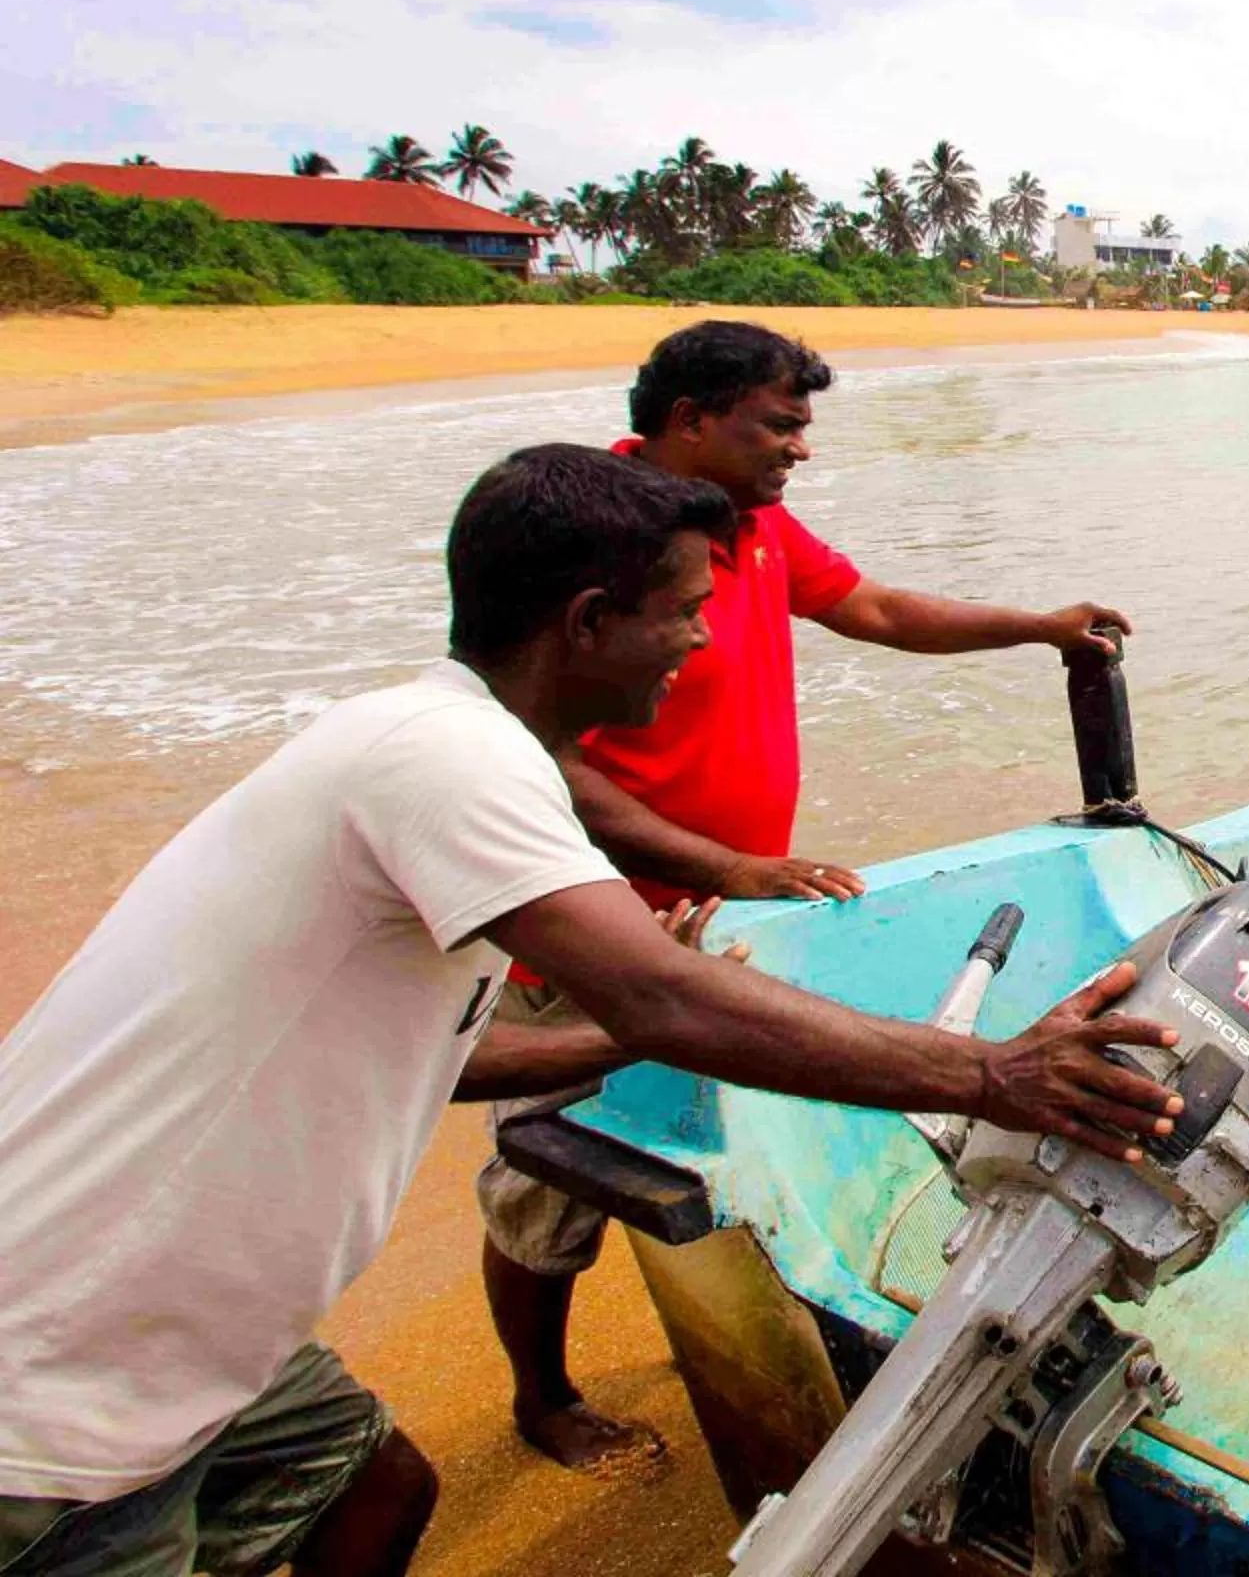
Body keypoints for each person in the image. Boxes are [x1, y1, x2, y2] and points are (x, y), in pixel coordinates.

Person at [0, 444, 1181, 1577]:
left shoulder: (436, 736)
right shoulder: (451, 759)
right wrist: (988, 1074)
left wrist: (613, 1035)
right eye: (683, 611)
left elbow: (450, 1052)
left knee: (375, 1490)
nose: (704, 637)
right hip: (69, 1362)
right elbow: (660, 992)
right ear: (587, 621)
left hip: (191, 1328)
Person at [481, 321, 1135, 1466]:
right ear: (690, 419)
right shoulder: (601, 539)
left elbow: (872, 608)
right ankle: (541, 1395)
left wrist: (1036, 628)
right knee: (546, 1189)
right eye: (778, 424)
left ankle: (724, 1331)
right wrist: (724, 864)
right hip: (590, 935)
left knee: (704, 1147)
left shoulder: (755, 527)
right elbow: (542, 754)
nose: (800, 447)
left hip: (725, 928)